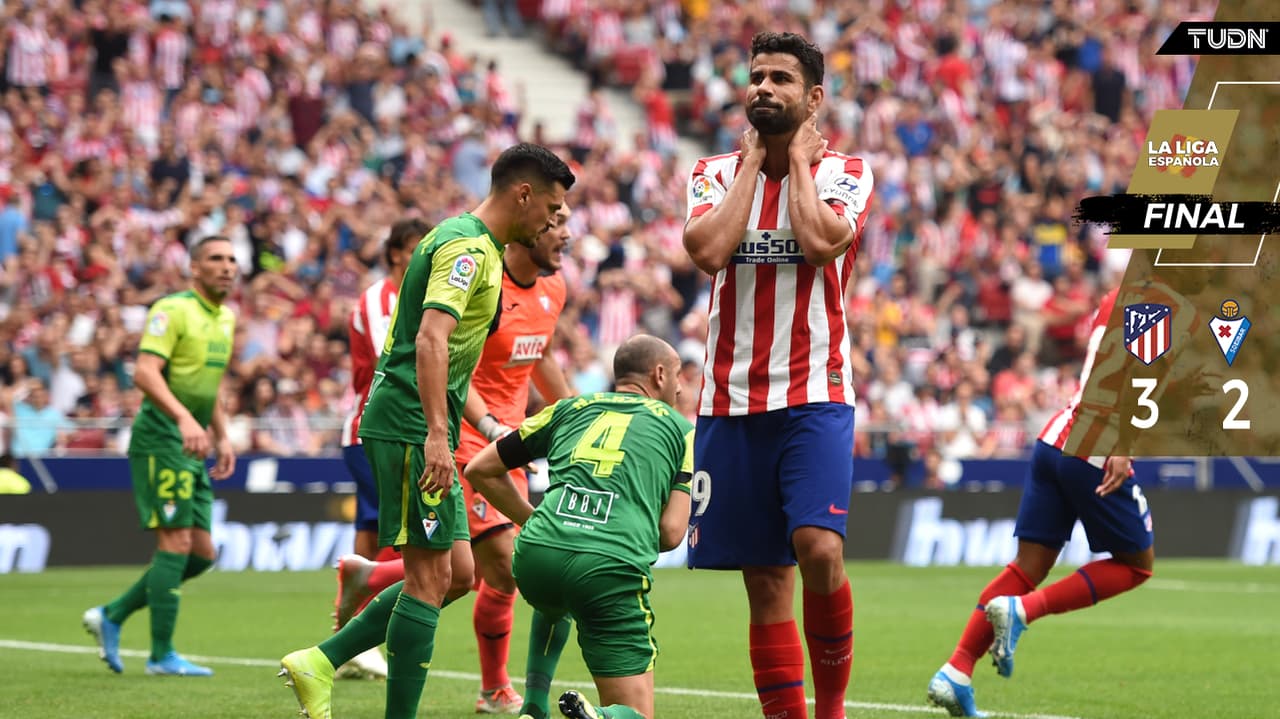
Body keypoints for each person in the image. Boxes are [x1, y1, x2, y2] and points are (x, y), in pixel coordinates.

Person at [280, 143, 574, 719]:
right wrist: (439, 435)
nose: (552, 221)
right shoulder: (466, 248)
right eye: (551, 207)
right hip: (412, 424)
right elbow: (432, 339)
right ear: (524, 194)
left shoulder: (481, 246)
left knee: (458, 575)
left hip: (424, 423)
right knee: (427, 579)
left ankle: (320, 660)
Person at [681, 32, 874, 719]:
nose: (763, 87)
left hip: (814, 393)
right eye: (756, 76)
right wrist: (753, 167)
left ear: (813, 97)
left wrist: (794, 162)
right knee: (765, 581)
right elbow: (707, 250)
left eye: (780, 79)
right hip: (729, 401)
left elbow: (820, 242)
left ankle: (832, 711)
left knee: (818, 549)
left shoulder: (847, 171)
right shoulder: (712, 172)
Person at [926, 287, 1156, 717]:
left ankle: (957, 670)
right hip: (1097, 447)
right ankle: (1024, 610)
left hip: (1055, 438)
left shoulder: (1117, 295)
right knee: (1137, 564)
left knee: (1027, 566)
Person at [463, 334, 694, 719]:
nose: (681, 386)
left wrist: (535, 521)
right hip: (606, 569)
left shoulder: (567, 408)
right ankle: (598, 717)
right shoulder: (682, 430)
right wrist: (621, 526)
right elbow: (671, 534)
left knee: (555, 602)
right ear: (658, 375)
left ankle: (533, 706)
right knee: (635, 714)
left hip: (537, 557)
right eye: (676, 375)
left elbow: (479, 468)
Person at [82, 235, 239, 677]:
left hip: (194, 443)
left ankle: (113, 614)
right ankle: (161, 655)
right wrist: (185, 419)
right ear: (194, 268)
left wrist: (222, 435)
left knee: (202, 554)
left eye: (232, 259)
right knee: (176, 543)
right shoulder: (172, 310)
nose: (227, 266)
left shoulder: (226, 317)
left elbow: (211, 386)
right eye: (216, 258)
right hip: (162, 439)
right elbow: (145, 372)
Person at [330, 217, 430, 681]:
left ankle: (350, 638)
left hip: (389, 429)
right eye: (415, 248)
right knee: (398, 534)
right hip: (373, 429)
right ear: (395, 254)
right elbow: (392, 360)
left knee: (370, 533)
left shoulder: (416, 298)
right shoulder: (379, 299)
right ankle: (367, 638)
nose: (423, 257)